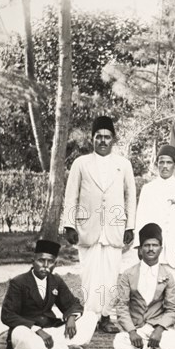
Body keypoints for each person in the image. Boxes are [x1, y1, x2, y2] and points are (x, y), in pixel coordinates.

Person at [63, 115, 137, 333]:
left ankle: (105, 317)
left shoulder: (123, 164)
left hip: (114, 229)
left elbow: (130, 196)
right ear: (92, 139)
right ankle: (89, 315)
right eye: (99, 137)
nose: (103, 141)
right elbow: (71, 196)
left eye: (107, 137)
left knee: (110, 275)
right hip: (88, 228)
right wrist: (69, 225)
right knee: (89, 274)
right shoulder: (81, 163)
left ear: (113, 139)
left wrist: (130, 226)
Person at [1, 240, 98, 349]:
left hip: (51, 329)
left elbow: (73, 304)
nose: (46, 266)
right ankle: (65, 347)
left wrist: (71, 318)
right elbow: (7, 315)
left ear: (55, 264)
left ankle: (49, 347)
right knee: (22, 338)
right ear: (33, 262)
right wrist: (36, 329)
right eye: (41, 260)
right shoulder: (18, 282)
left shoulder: (56, 281)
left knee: (91, 317)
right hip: (28, 331)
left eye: (50, 261)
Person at [114, 223, 175, 349]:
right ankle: (153, 344)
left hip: (158, 326)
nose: (151, 249)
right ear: (140, 249)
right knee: (119, 343)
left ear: (160, 249)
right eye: (146, 245)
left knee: (174, 344)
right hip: (137, 327)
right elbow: (122, 306)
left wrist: (159, 330)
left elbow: (173, 309)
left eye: (155, 245)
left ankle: (151, 343)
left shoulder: (166, 275)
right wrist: (132, 332)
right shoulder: (128, 274)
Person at [135, 145, 175, 285]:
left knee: (171, 291)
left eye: (169, 162)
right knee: (151, 290)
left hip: (174, 249)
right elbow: (141, 219)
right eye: (161, 162)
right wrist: (139, 245)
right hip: (152, 248)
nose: (165, 166)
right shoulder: (148, 189)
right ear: (157, 164)